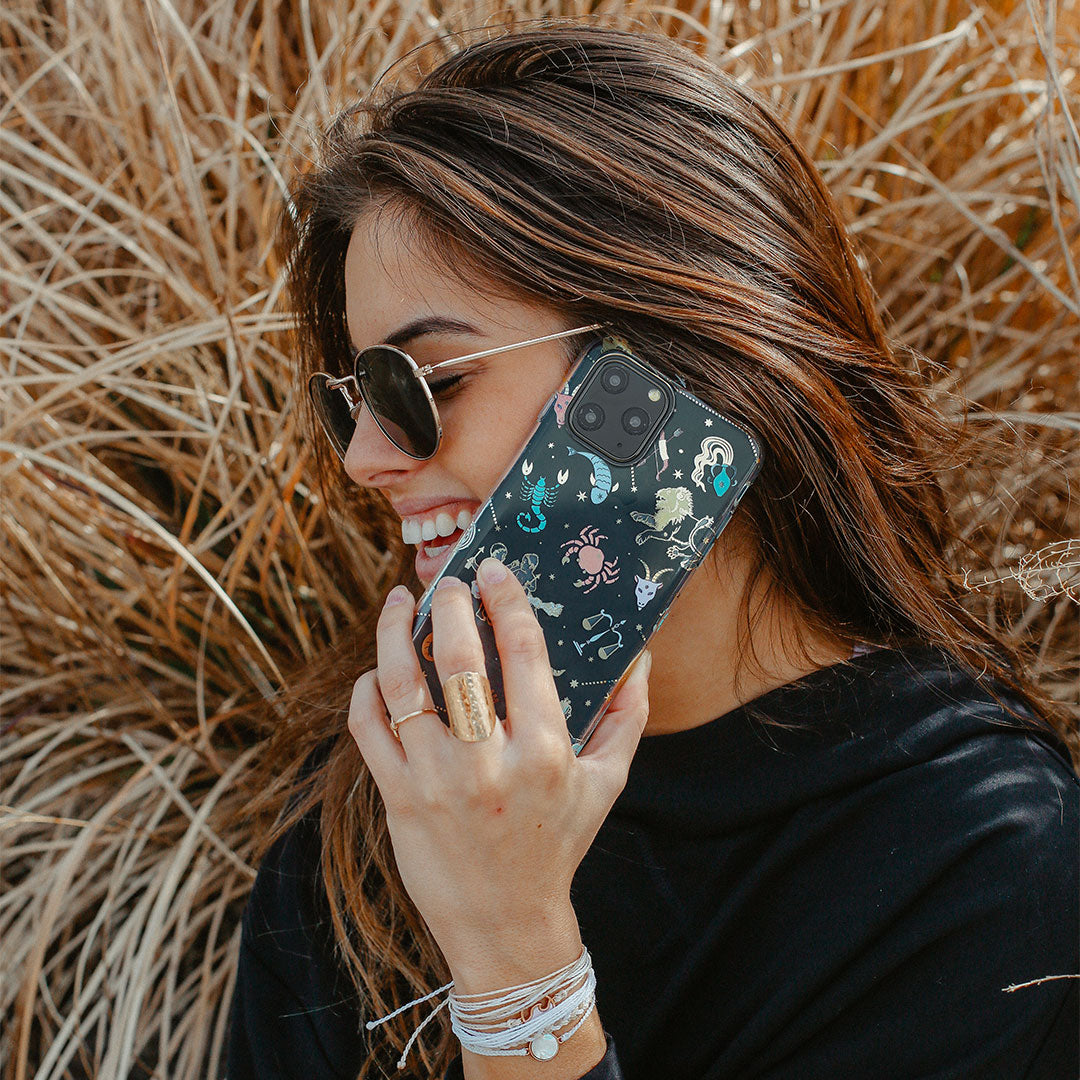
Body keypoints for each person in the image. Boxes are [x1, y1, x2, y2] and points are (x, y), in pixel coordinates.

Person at [225, 21, 1079, 1080]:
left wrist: (514, 961)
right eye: (352, 399)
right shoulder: (386, 802)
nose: (363, 458)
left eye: (426, 383)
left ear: (676, 374)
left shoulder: (984, 856)